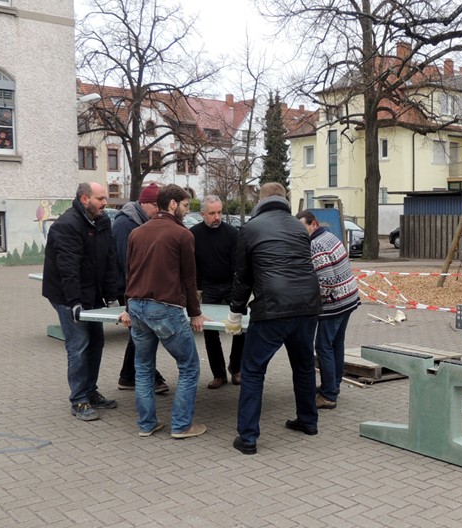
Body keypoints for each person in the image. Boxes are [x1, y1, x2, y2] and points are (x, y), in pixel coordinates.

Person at [226, 182, 321, 455]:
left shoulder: (250, 228)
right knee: (303, 367)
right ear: (285, 199)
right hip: (307, 305)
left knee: (253, 371)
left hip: (272, 307)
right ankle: (308, 421)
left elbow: (242, 278)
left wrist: (235, 311)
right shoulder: (299, 227)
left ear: (260, 200)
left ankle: (247, 438)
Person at [119, 184, 207, 439]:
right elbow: (189, 279)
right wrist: (195, 313)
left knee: (144, 367)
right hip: (164, 308)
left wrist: (127, 308)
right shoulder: (182, 235)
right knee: (189, 366)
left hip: (137, 306)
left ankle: (146, 424)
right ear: (172, 204)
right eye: (185, 205)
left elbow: (129, 274)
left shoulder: (136, 233)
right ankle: (181, 426)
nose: (186, 211)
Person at [42, 182, 119, 422]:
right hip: (68, 296)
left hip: (92, 294)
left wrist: (112, 295)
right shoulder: (66, 225)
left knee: (96, 343)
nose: (105, 202)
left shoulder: (103, 222)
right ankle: (79, 400)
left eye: (105, 198)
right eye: (100, 198)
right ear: (84, 199)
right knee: (78, 346)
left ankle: (90, 391)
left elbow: (109, 260)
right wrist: (74, 301)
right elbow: (68, 268)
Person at [296, 210, 360, 410]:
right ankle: (333, 386)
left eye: (302, 227)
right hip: (348, 297)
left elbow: (327, 280)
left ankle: (328, 395)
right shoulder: (329, 236)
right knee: (336, 344)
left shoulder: (316, 245)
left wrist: (317, 303)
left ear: (313, 224)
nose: (300, 232)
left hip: (334, 303)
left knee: (323, 347)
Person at [112, 183, 169, 394]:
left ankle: (128, 376)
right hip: (129, 289)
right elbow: (128, 265)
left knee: (138, 333)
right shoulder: (125, 225)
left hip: (139, 288)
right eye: (156, 206)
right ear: (145, 204)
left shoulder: (142, 222)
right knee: (142, 333)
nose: (159, 211)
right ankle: (146, 375)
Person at [190, 195, 245, 389]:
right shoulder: (194, 234)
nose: (217, 217)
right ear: (202, 213)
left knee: (239, 328)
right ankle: (219, 373)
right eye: (212, 213)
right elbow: (192, 265)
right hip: (209, 287)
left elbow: (237, 264)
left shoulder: (232, 233)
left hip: (230, 285)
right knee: (210, 332)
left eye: (220, 212)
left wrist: (238, 289)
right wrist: (196, 289)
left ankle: (236, 368)